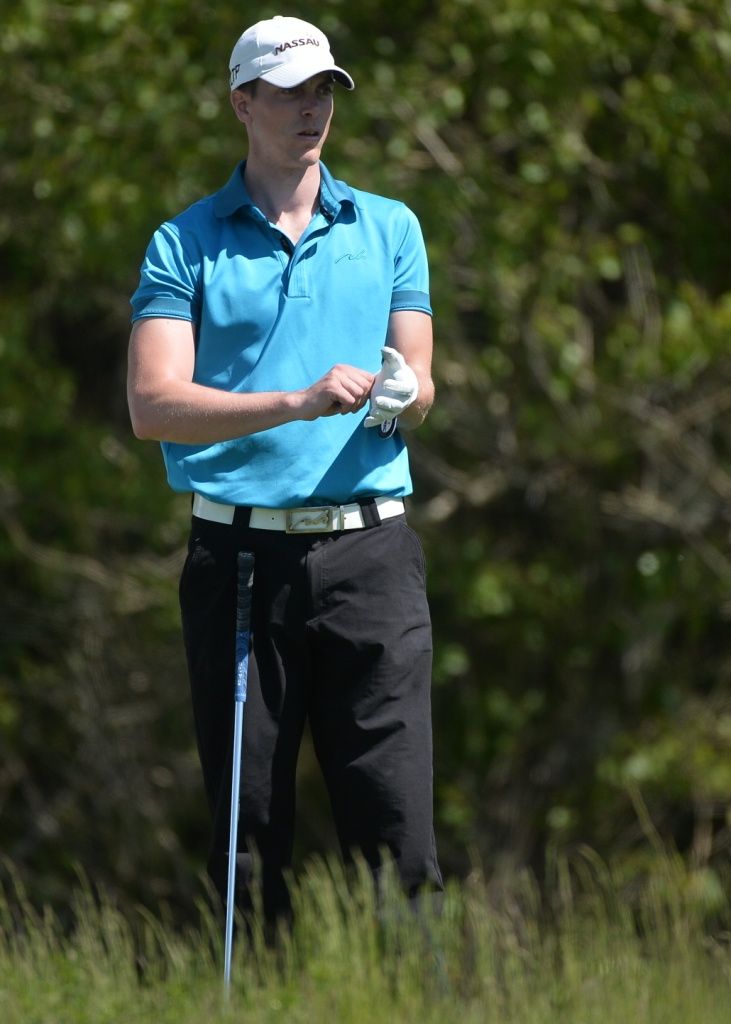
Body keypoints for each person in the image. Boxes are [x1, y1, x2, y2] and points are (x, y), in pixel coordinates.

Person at [127, 14, 442, 930]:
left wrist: (405, 391)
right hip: (238, 562)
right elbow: (153, 404)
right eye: (291, 92)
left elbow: (421, 381)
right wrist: (295, 403)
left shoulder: (389, 226)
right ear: (242, 103)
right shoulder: (184, 242)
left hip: (371, 558)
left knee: (396, 826)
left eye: (324, 91)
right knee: (248, 831)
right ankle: (254, 994)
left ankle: (411, 995)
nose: (313, 109)